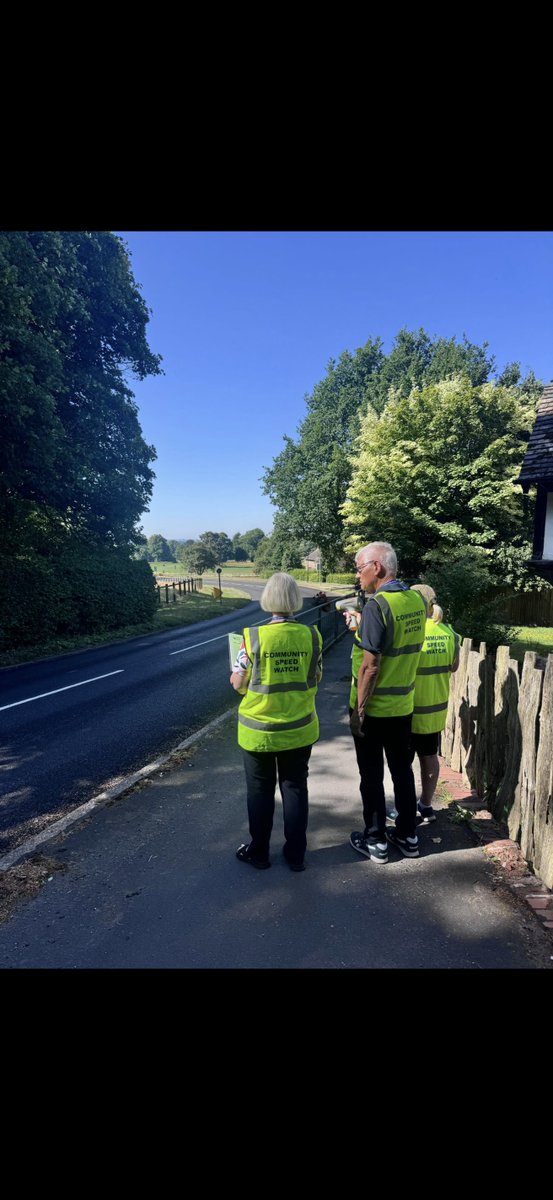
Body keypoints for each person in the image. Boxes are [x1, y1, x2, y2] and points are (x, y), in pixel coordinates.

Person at [230, 572, 323, 872]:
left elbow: (238, 683)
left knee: (259, 791)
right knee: (295, 788)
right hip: (299, 728)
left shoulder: (252, 636)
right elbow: (316, 677)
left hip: (259, 732)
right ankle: (296, 855)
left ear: (268, 598)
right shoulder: (312, 636)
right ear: (295, 599)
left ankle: (259, 852)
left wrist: (240, 678)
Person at [348, 542, 426, 864]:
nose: (357, 574)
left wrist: (360, 711)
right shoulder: (416, 600)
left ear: (376, 567)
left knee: (371, 775)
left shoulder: (376, 606)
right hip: (403, 706)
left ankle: (376, 839)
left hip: (376, 709)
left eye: (359, 567)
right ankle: (408, 835)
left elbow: (371, 666)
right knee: (402, 771)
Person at [387, 584, 460, 825]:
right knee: (429, 757)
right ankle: (426, 806)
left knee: (402, 765)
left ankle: (402, 810)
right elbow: (454, 666)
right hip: (435, 710)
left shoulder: (411, 632)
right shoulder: (449, 633)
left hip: (409, 709)